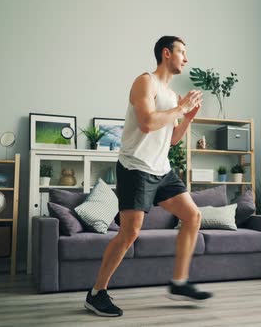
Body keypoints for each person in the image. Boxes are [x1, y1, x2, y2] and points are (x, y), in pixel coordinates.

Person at [84, 36, 212, 317]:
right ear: (166, 53)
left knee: (193, 216)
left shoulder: (169, 93)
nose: (186, 59)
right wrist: (180, 109)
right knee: (130, 232)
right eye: (182, 52)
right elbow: (146, 124)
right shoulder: (146, 82)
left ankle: (179, 282)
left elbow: (172, 139)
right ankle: (97, 292)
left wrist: (188, 118)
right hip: (136, 167)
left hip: (162, 169)